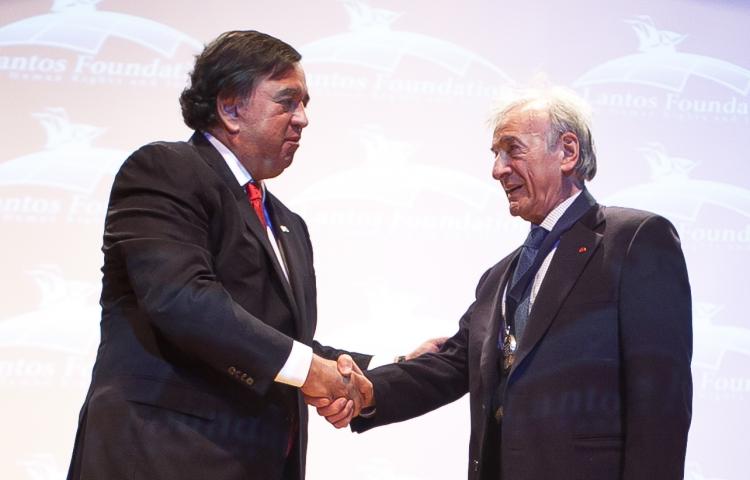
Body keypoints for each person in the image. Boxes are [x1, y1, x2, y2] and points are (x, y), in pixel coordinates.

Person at [66, 30, 438, 480]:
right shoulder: (165, 170)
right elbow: (183, 300)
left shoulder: (289, 224)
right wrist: (308, 370)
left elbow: (280, 340)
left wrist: (378, 370)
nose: (302, 119)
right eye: (287, 102)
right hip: (160, 457)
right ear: (230, 107)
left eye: (305, 105)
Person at [313, 87, 693, 479]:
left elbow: (662, 401)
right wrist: (368, 391)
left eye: (512, 150)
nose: (498, 169)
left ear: (567, 152)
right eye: (496, 155)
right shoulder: (499, 278)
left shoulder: (634, 240)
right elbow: (450, 365)